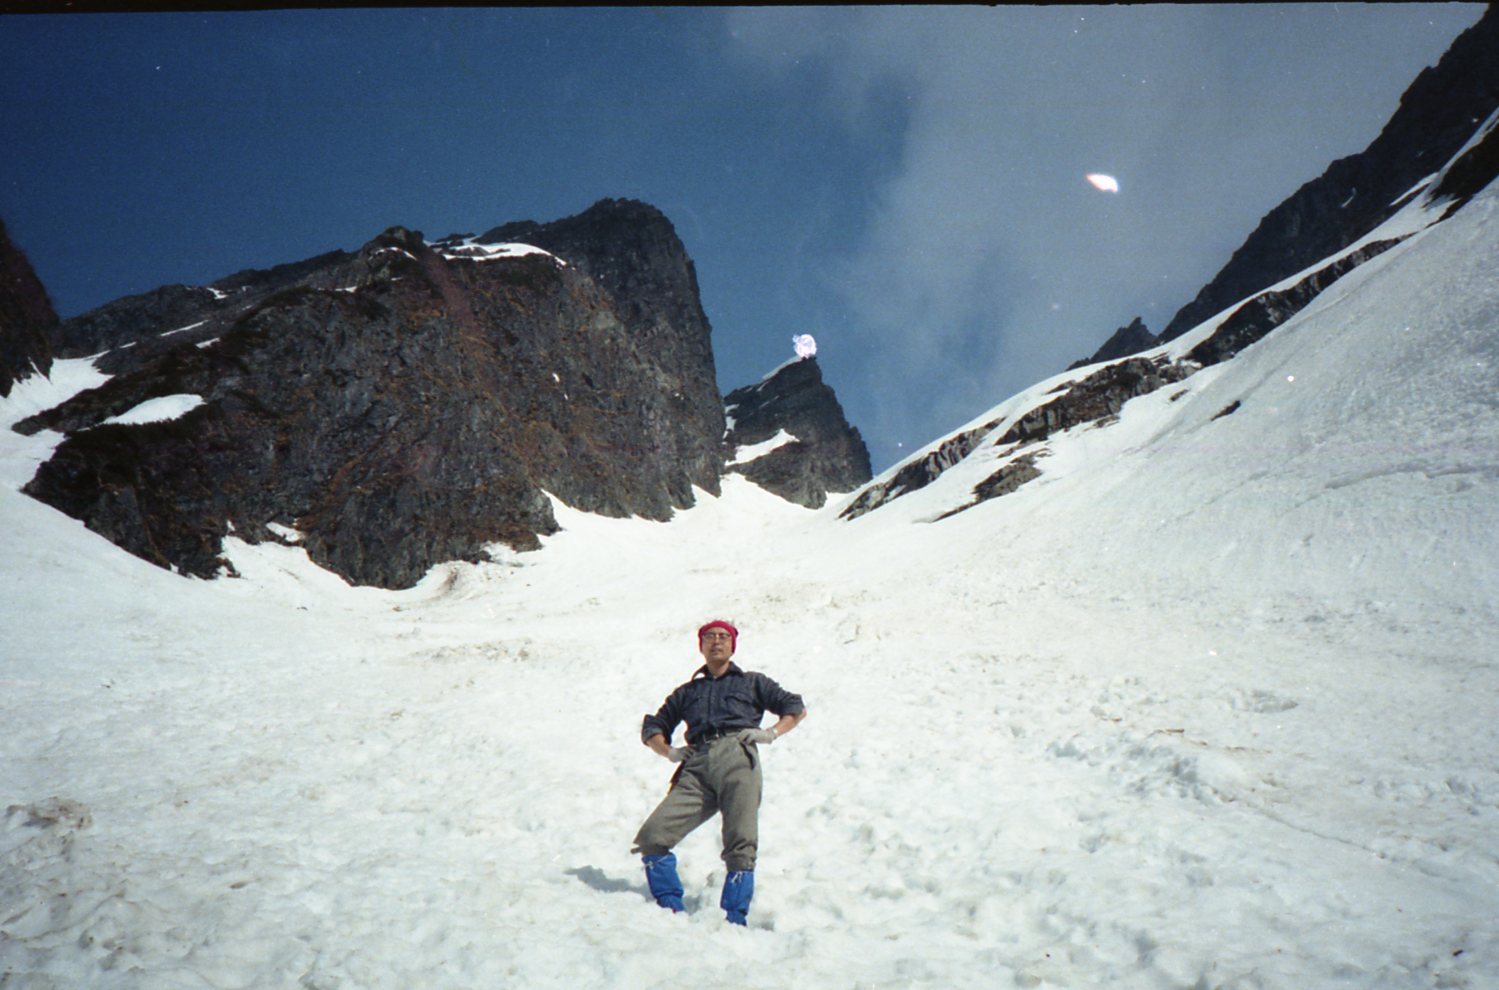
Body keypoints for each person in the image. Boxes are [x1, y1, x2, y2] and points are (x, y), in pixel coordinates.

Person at [632, 619, 808, 926]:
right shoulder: (687, 692)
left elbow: (794, 707)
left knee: (741, 841)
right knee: (653, 837)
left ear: (733, 645)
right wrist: (669, 751)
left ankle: (734, 919)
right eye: (710, 637)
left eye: (724, 636)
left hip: (737, 755)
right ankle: (670, 912)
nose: (717, 641)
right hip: (697, 764)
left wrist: (771, 733)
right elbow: (654, 727)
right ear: (701, 646)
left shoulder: (752, 682)